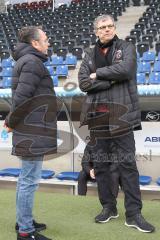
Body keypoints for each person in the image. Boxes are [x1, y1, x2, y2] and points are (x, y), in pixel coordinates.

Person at [78, 15, 155, 233]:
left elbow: (127, 70)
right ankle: (108, 208)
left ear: (114, 28)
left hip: (121, 117)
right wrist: (111, 78)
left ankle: (133, 214)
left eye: (110, 26)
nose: (107, 29)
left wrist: (98, 75)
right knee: (101, 165)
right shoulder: (88, 54)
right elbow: (84, 83)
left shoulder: (127, 47)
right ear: (96, 31)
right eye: (102, 27)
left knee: (128, 165)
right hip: (98, 118)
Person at [4, 26, 57, 240]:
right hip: (32, 130)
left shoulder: (27, 61)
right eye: (45, 39)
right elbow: (23, 98)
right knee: (29, 180)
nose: (48, 42)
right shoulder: (33, 63)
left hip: (32, 129)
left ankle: (23, 221)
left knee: (26, 179)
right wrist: (10, 121)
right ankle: (26, 232)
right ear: (34, 43)